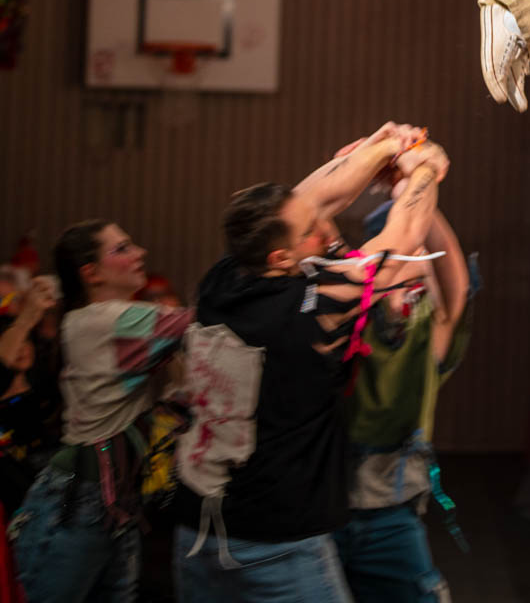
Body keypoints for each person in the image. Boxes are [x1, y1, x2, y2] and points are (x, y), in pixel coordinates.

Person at [172, 124, 448, 600]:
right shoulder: (315, 308)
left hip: (197, 530)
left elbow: (314, 198)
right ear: (282, 257)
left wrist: (386, 145)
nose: (324, 229)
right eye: (310, 232)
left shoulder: (224, 278)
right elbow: (403, 235)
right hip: (274, 544)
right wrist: (425, 164)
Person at [7, 221, 194, 603]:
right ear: (91, 273)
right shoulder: (108, 320)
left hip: (108, 499)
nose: (140, 253)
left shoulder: (94, 318)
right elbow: (207, 318)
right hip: (80, 498)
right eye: (122, 248)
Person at [334, 188, 476, 603]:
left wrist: (417, 186)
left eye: (422, 263)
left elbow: (455, 281)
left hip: (390, 514)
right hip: (320, 509)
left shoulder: (427, 331)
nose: (416, 275)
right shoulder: (344, 320)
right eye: (405, 259)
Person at [0, 275, 62, 518]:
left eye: (27, 341)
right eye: (15, 343)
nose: (22, 348)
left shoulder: (45, 387)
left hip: (49, 482)